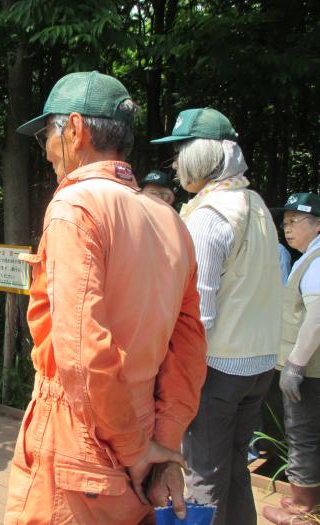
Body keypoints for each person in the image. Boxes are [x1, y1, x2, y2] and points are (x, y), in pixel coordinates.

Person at [4, 71, 207, 524]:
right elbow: (189, 349)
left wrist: (135, 450)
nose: (48, 151)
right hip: (145, 430)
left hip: (83, 440)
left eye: (46, 136)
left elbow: (82, 354)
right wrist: (164, 445)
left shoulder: (75, 208)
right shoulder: (170, 220)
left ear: (74, 129)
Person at [152, 107, 283, 525]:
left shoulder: (209, 217)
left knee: (204, 478)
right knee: (235, 471)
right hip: (260, 364)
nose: (173, 165)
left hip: (218, 370)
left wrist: (166, 373)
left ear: (200, 156)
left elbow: (198, 316)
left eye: (178, 153)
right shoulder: (255, 203)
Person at [263, 193, 320, 525]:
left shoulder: (315, 262)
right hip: (309, 368)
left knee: (303, 434)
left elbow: (316, 318)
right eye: (284, 223)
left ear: (317, 225)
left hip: (309, 369)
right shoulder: (306, 258)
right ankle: (307, 500)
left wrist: (295, 364)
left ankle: (303, 509)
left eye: (294, 221)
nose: (287, 228)